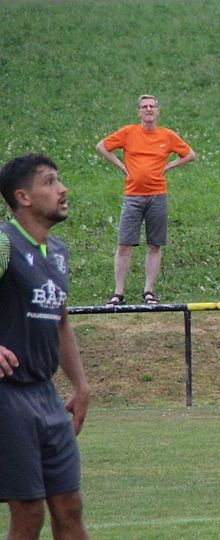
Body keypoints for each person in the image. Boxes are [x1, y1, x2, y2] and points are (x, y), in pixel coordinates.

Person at [0, 154, 91, 539]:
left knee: (69, 508)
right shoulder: (3, 243)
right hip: (7, 395)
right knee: (28, 513)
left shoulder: (58, 252)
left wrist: (81, 385)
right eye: (50, 182)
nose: (62, 189)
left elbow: (61, 321)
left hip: (46, 395)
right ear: (23, 196)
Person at [96, 94, 195, 307]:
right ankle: (118, 293)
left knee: (154, 244)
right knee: (124, 244)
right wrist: (121, 166)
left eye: (152, 106)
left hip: (157, 195)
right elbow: (102, 146)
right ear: (139, 112)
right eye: (144, 107)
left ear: (158, 111)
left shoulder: (167, 135)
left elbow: (190, 155)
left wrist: (169, 166)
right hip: (132, 195)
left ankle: (149, 290)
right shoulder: (129, 132)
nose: (149, 110)